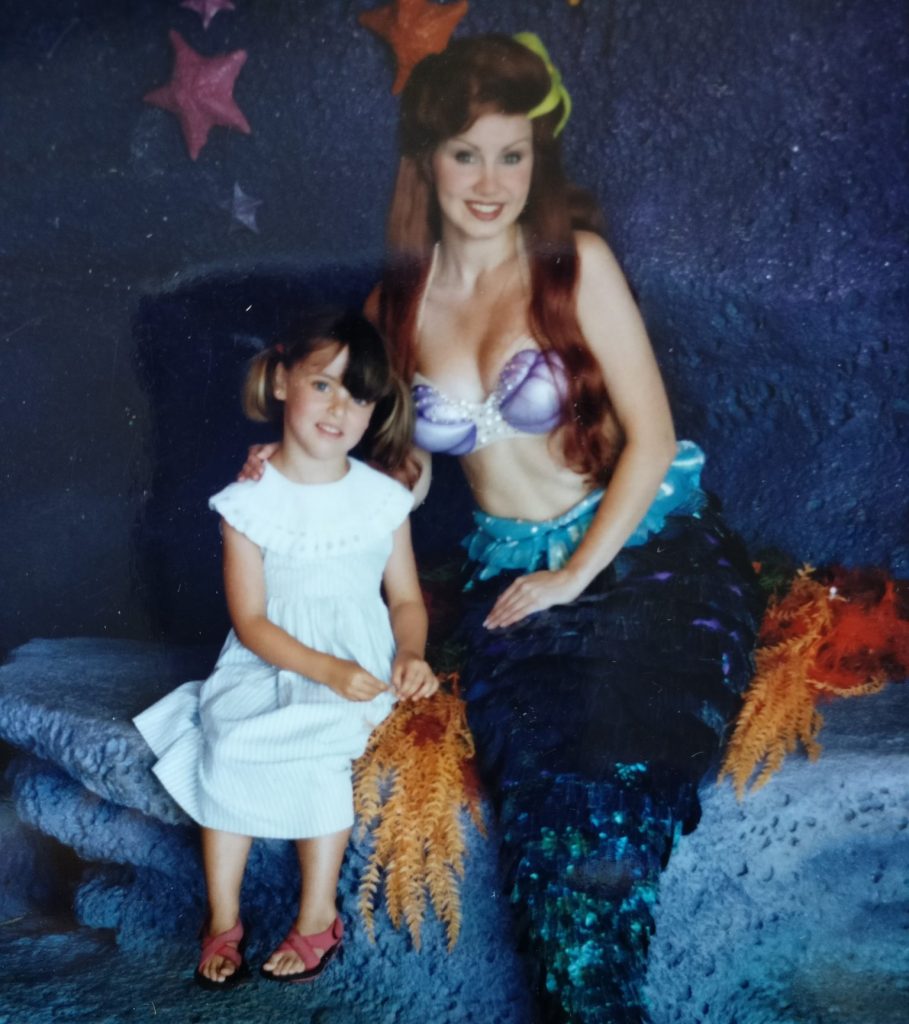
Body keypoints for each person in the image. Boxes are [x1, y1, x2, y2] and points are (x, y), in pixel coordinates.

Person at [372, 33, 759, 1024]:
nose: (491, 181)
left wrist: (577, 576)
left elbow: (654, 434)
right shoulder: (396, 306)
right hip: (517, 585)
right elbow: (391, 484)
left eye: (513, 154)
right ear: (427, 160)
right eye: (467, 154)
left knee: (619, 794)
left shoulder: (574, 264)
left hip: (652, 561)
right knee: (546, 815)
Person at [134, 309, 437, 990]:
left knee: (327, 742)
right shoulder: (248, 501)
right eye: (323, 385)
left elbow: (407, 601)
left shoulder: (382, 498)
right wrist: (320, 668)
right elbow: (250, 620)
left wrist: (409, 653)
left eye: (358, 396)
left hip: (358, 656)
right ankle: (222, 919)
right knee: (229, 735)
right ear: (278, 381)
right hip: (272, 653)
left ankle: (316, 915)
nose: (340, 408)